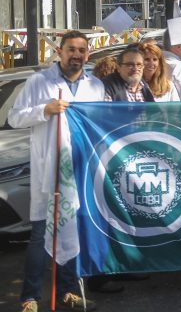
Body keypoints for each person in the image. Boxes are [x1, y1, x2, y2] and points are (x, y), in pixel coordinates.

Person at [9, 30, 104, 312]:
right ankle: (30, 297)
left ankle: (68, 290)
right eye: (71, 49)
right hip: (49, 171)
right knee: (41, 234)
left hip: (80, 170)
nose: (76, 55)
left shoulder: (95, 85)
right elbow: (14, 118)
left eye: (81, 50)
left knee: (72, 231)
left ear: (88, 54)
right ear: (60, 52)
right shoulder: (39, 82)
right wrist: (44, 110)